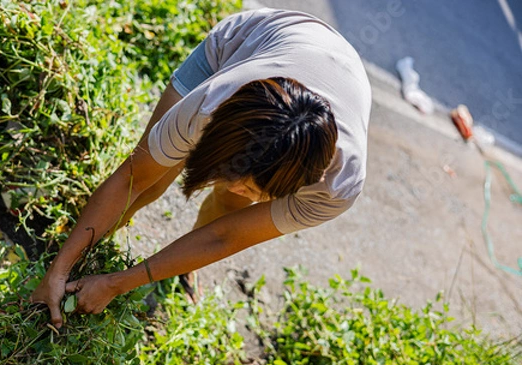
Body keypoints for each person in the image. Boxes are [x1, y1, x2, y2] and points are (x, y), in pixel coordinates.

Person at [30, 8, 371, 328]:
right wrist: (57, 270)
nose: (235, 186)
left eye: (256, 189)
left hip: (333, 72)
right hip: (247, 41)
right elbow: (130, 180)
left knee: (230, 208)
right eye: (231, 174)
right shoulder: (208, 104)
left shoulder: (337, 187)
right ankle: (82, 254)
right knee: (154, 181)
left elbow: (225, 236)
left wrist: (117, 284)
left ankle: (178, 269)